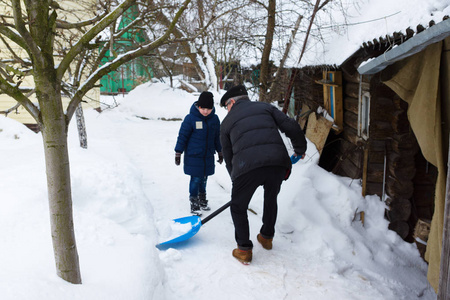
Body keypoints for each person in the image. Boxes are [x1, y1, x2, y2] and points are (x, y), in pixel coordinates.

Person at [220, 85, 307, 264]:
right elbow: (291, 125)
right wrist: (300, 149)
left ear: (233, 102)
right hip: (277, 163)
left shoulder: (226, 123)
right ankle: (266, 237)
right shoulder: (265, 107)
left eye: (226, 106)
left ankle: (244, 249)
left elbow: (228, 158)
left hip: (246, 166)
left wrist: (236, 180)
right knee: (270, 197)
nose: (227, 110)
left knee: (238, 206)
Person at [175, 91, 223, 216]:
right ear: (198, 106)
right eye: (203, 108)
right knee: (196, 179)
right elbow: (183, 136)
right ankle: (194, 201)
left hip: (207, 155)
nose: (206, 111)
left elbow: (217, 137)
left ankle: (202, 198)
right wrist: (178, 152)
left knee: (204, 179)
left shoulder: (214, 119)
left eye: (209, 108)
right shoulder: (190, 118)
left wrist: (220, 151)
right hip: (194, 155)